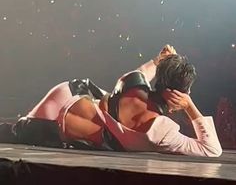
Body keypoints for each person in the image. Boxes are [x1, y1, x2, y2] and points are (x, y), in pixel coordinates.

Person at [0, 44, 222, 157]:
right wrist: (190, 108)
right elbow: (212, 149)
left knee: (11, 130)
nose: (188, 97)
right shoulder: (163, 130)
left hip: (69, 93)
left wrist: (161, 60)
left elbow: (145, 70)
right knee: (11, 132)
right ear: (177, 94)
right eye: (187, 93)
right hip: (59, 123)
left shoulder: (134, 84)